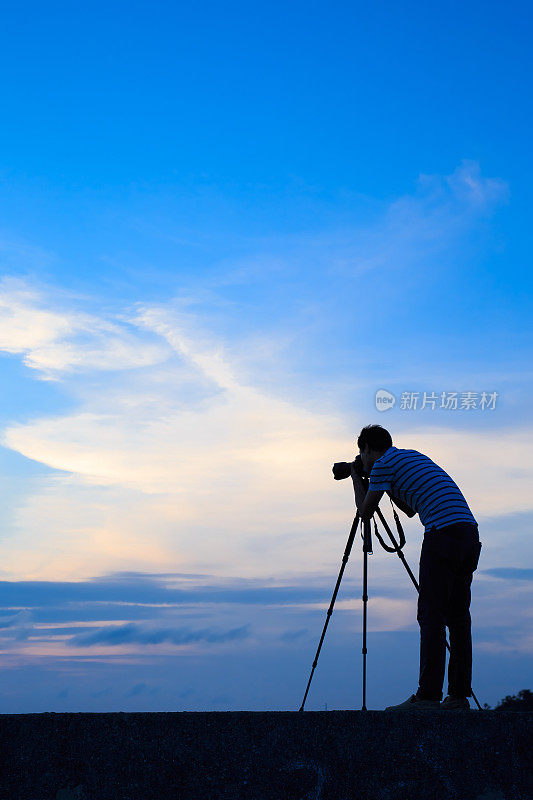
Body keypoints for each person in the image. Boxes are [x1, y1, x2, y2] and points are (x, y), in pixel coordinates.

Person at [349, 424, 482, 711]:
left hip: (442, 534)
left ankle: (428, 697)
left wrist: (354, 476)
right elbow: (409, 509)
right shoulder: (410, 456)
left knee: (430, 616)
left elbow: (365, 511)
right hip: (468, 533)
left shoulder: (382, 464)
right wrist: (372, 477)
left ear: (369, 449)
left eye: (363, 453)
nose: (364, 458)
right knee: (458, 618)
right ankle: (458, 696)